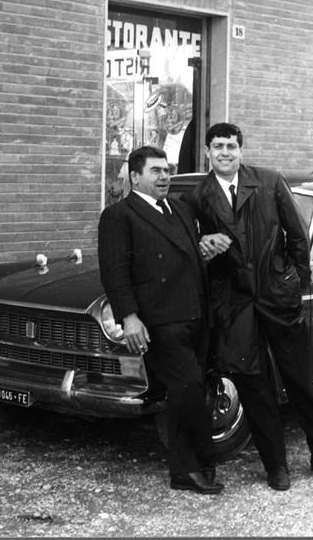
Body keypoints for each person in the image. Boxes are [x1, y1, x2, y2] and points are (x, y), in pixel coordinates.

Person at [188, 122, 313, 491]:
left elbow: (297, 234)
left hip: (278, 297)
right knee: (255, 387)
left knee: (299, 379)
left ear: (241, 150)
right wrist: (203, 242)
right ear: (207, 152)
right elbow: (191, 248)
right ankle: (275, 466)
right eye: (218, 146)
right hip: (234, 305)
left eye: (231, 146)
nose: (224, 153)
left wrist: (295, 283)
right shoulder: (198, 196)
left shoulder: (268, 182)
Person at [97, 146, 222, 495]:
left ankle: (191, 466)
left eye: (167, 170)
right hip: (159, 321)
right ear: (135, 177)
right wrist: (129, 317)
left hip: (195, 314)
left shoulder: (179, 209)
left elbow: (189, 251)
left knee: (187, 391)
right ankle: (194, 464)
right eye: (156, 171)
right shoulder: (119, 216)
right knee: (188, 386)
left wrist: (207, 244)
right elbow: (114, 271)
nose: (164, 177)